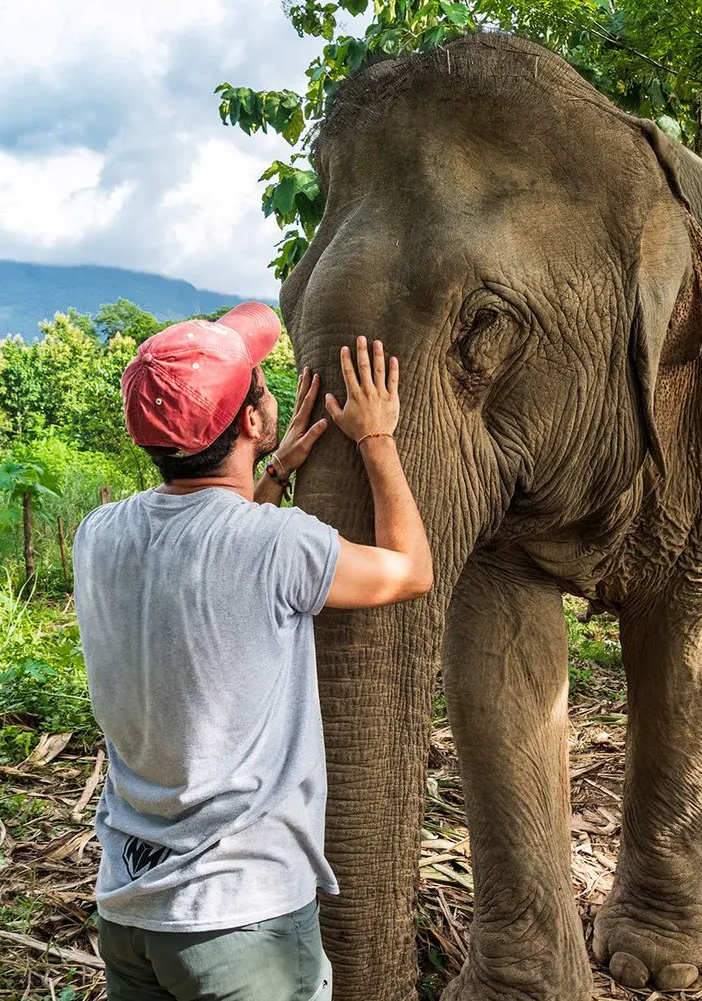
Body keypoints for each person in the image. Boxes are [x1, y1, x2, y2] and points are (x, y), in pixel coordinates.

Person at [72, 301, 432, 1000]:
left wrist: (273, 472)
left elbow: (203, 553)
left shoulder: (99, 534)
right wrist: (378, 437)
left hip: (128, 909)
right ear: (251, 422)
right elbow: (410, 569)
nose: (270, 386)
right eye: (260, 382)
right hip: (241, 925)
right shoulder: (278, 544)